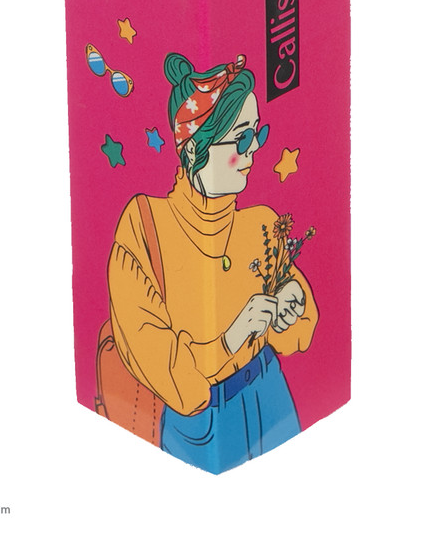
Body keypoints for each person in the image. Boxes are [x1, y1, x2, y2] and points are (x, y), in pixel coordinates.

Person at [108, 52, 318, 473]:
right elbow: (171, 373)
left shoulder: (261, 224)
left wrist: (293, 303)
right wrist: (232, 337)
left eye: (257, 135)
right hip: (200, 422)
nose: (253, 150)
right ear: (194, 150)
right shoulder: (146, 226)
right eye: (240, 139)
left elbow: (301, 334)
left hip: (271, 393)